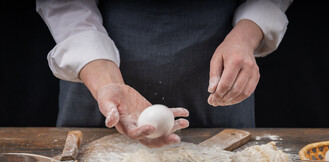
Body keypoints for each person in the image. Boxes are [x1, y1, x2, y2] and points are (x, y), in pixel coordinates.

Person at [36, 0, 292, 148]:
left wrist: (247, 34)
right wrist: (105, 80)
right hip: (96, 68)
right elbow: (65, 4)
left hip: (219, 68)